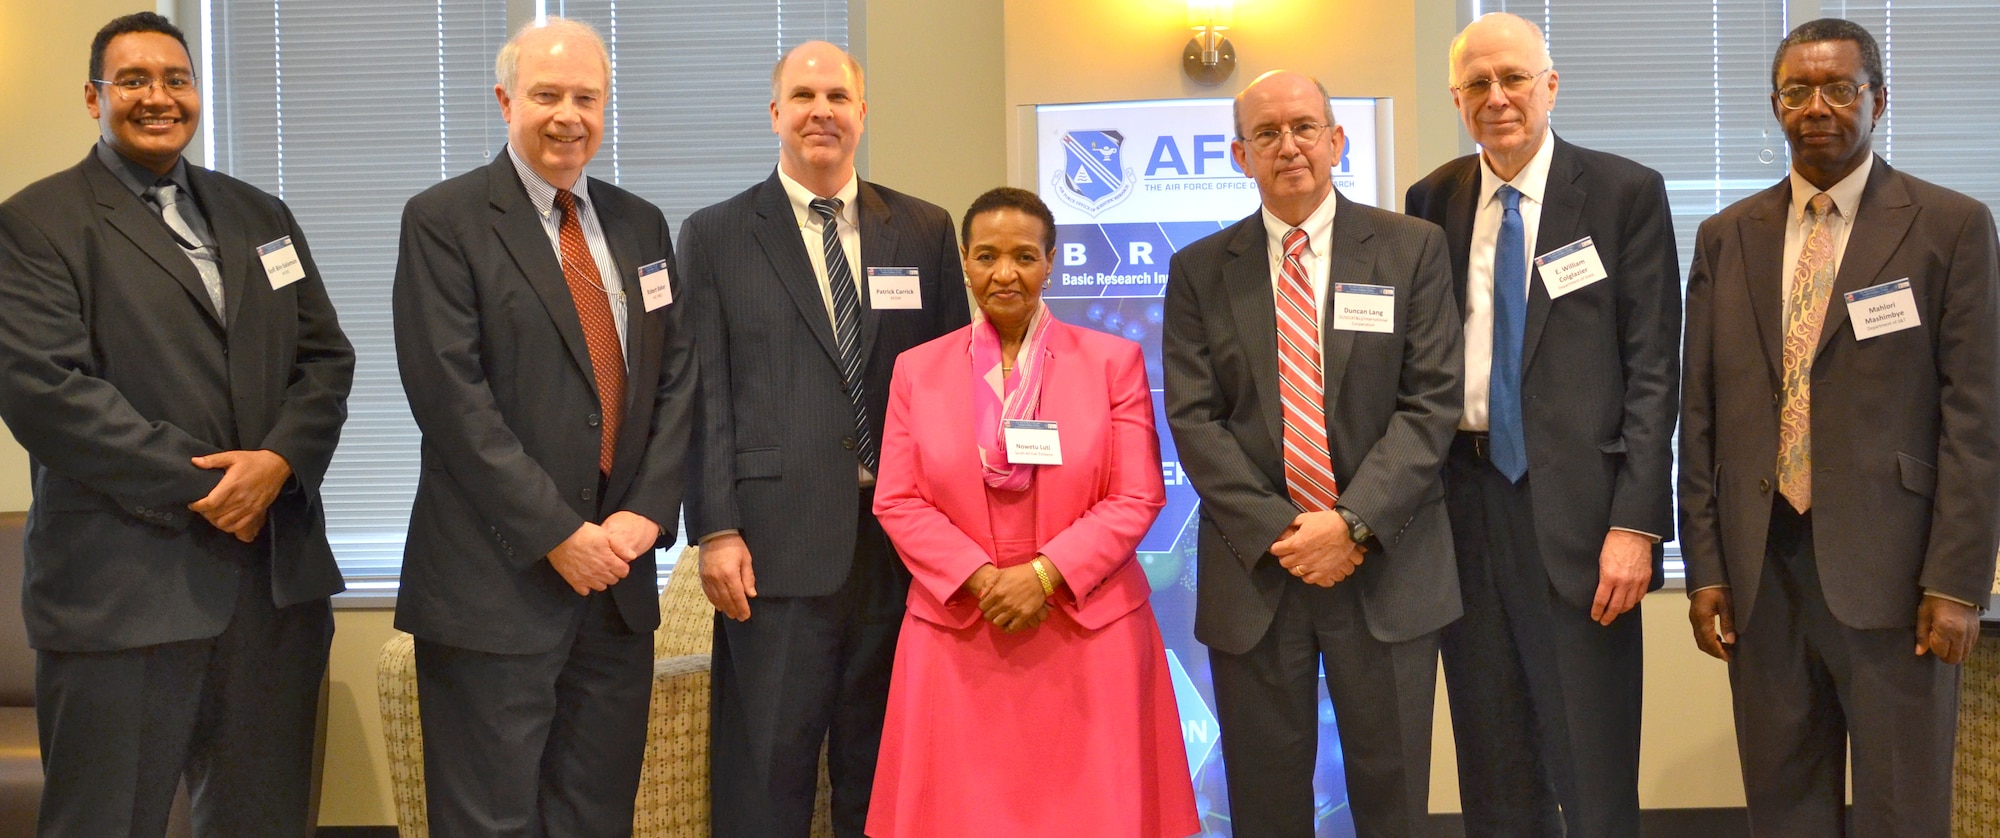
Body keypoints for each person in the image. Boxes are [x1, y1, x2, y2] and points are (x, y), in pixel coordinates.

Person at [0, 12, 355, 836]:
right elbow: (48, 394)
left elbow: (325, 360)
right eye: (134, 81)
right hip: (123, 594)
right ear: (94, 97)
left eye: (176, 79)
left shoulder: (259, 215)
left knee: (263, 822)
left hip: (272, 592)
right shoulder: (36, 224)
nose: (159, 97)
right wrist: (212, 486)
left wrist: (276, 463)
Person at [1680, 18, 1999, 837]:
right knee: (1783, 801)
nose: (1815, 107)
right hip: (1762, 571)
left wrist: (1957, 581)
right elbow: (1701, 410)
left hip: (1898, 577)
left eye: (1838, 88)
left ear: (1877, 100)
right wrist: (1707, 561)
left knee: (1902, 805)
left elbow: (1977, 415)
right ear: (1775, 106)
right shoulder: (1726, 237)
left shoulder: (1950, 226)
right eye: (1796, 91)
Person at [390, 17, 695, 836]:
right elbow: (452, 401)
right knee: (490, 821)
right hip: (495, 585)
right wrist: (560, 531)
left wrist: (645, 514)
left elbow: (675, 381)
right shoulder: (444, 220)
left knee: (597, 816)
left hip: (618, 586)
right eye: (547, 95)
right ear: (505, 100)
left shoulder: (641, 226)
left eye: (587, 98)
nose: (569, 115)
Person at [678, 40, 970, 837]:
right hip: (773, 548)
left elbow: (955, 387)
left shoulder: (922, 229)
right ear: (775, 114)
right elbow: (701, 397)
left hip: (902, 550)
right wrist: (716, 527)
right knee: (766, 769)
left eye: (838, 97)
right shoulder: (716, 235)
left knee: (884, 768)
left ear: (863, 114)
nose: (822, 111)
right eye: (803, 96)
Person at [1163, 70, 1463, 837]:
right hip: (1260, 574)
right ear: (1239, 155)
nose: (1287, 146)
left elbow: (1431, 404)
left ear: (1337, 141)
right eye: (1266, 134)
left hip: (1386, 566)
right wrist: (1287, 533)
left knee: (1392, 799)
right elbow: (1195, 420)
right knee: (1265, 805)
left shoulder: (1411, 249)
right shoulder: (1199, 270)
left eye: (1304, 127)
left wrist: (1350, 523)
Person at [1403, 13, 1680, 837]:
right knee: (1491, 762)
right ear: (1457, 97)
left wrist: (1637, 522)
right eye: (1477, 84)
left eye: (1514, 78)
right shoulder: (1432, 199)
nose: (1497, 98)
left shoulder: (1624, 193)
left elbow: (1652, 371)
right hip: (1463, 506)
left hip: (1585, 521)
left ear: (1550, 85)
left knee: (1590, 766)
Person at [865, 187, 1199, 838]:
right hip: (960, 628)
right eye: (986, 255)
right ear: (963, 262)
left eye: (1024, 255)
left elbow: (1137, 494)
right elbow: (898, 499)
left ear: (1052, 261)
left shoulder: (1113, 363)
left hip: (1087, 630)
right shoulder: (917, 371)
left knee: (1093, 817)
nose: (1005, 273)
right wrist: (984, 579)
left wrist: (1043, 575)